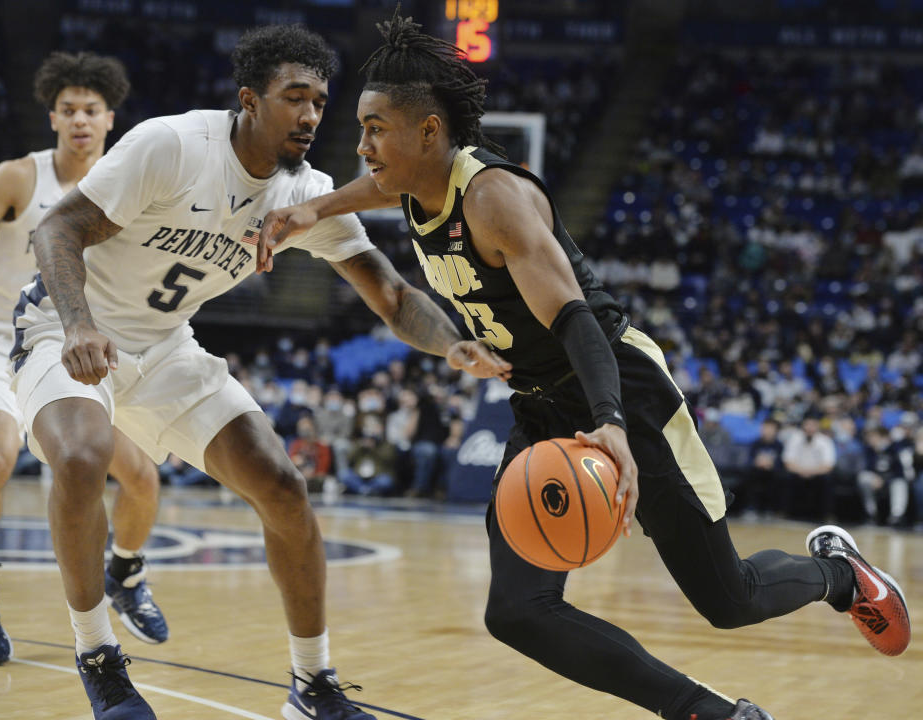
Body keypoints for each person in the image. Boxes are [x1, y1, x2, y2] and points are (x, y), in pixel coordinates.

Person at [256, 12, 910, 719]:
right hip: (539, 405)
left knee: (730, 600)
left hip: (616, 387)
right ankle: (708, 713)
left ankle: (838, 576)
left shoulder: (495, 200)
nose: (362, 144)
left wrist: (612, 425)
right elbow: (381, 189)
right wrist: (313, 208)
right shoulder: (414, 183)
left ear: (429, 132)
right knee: (518, 610)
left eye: (375, 128)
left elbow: (579, 321)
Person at [13, 25, 507, 720]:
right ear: (249, 99)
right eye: (294, 97)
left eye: (319, 101)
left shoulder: (308, 191)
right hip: (63, 327)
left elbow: (391, 295)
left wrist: (455, 344)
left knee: (283, 486)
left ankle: (313, 686)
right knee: (84, 455)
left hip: (163, 346)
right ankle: (98, 656)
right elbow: (55, 230)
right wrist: (78, 325)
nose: (310, 115)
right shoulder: (175, 144)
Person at [0, 51, 170, 667]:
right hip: (2, 336)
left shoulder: (127, 184)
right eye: (69, 109)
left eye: (92, 110)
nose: (80, 119)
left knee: (141, 478)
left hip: (76, 343)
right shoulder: (18, 177)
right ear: (53, 116)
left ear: (111, 119)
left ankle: (126, 573)